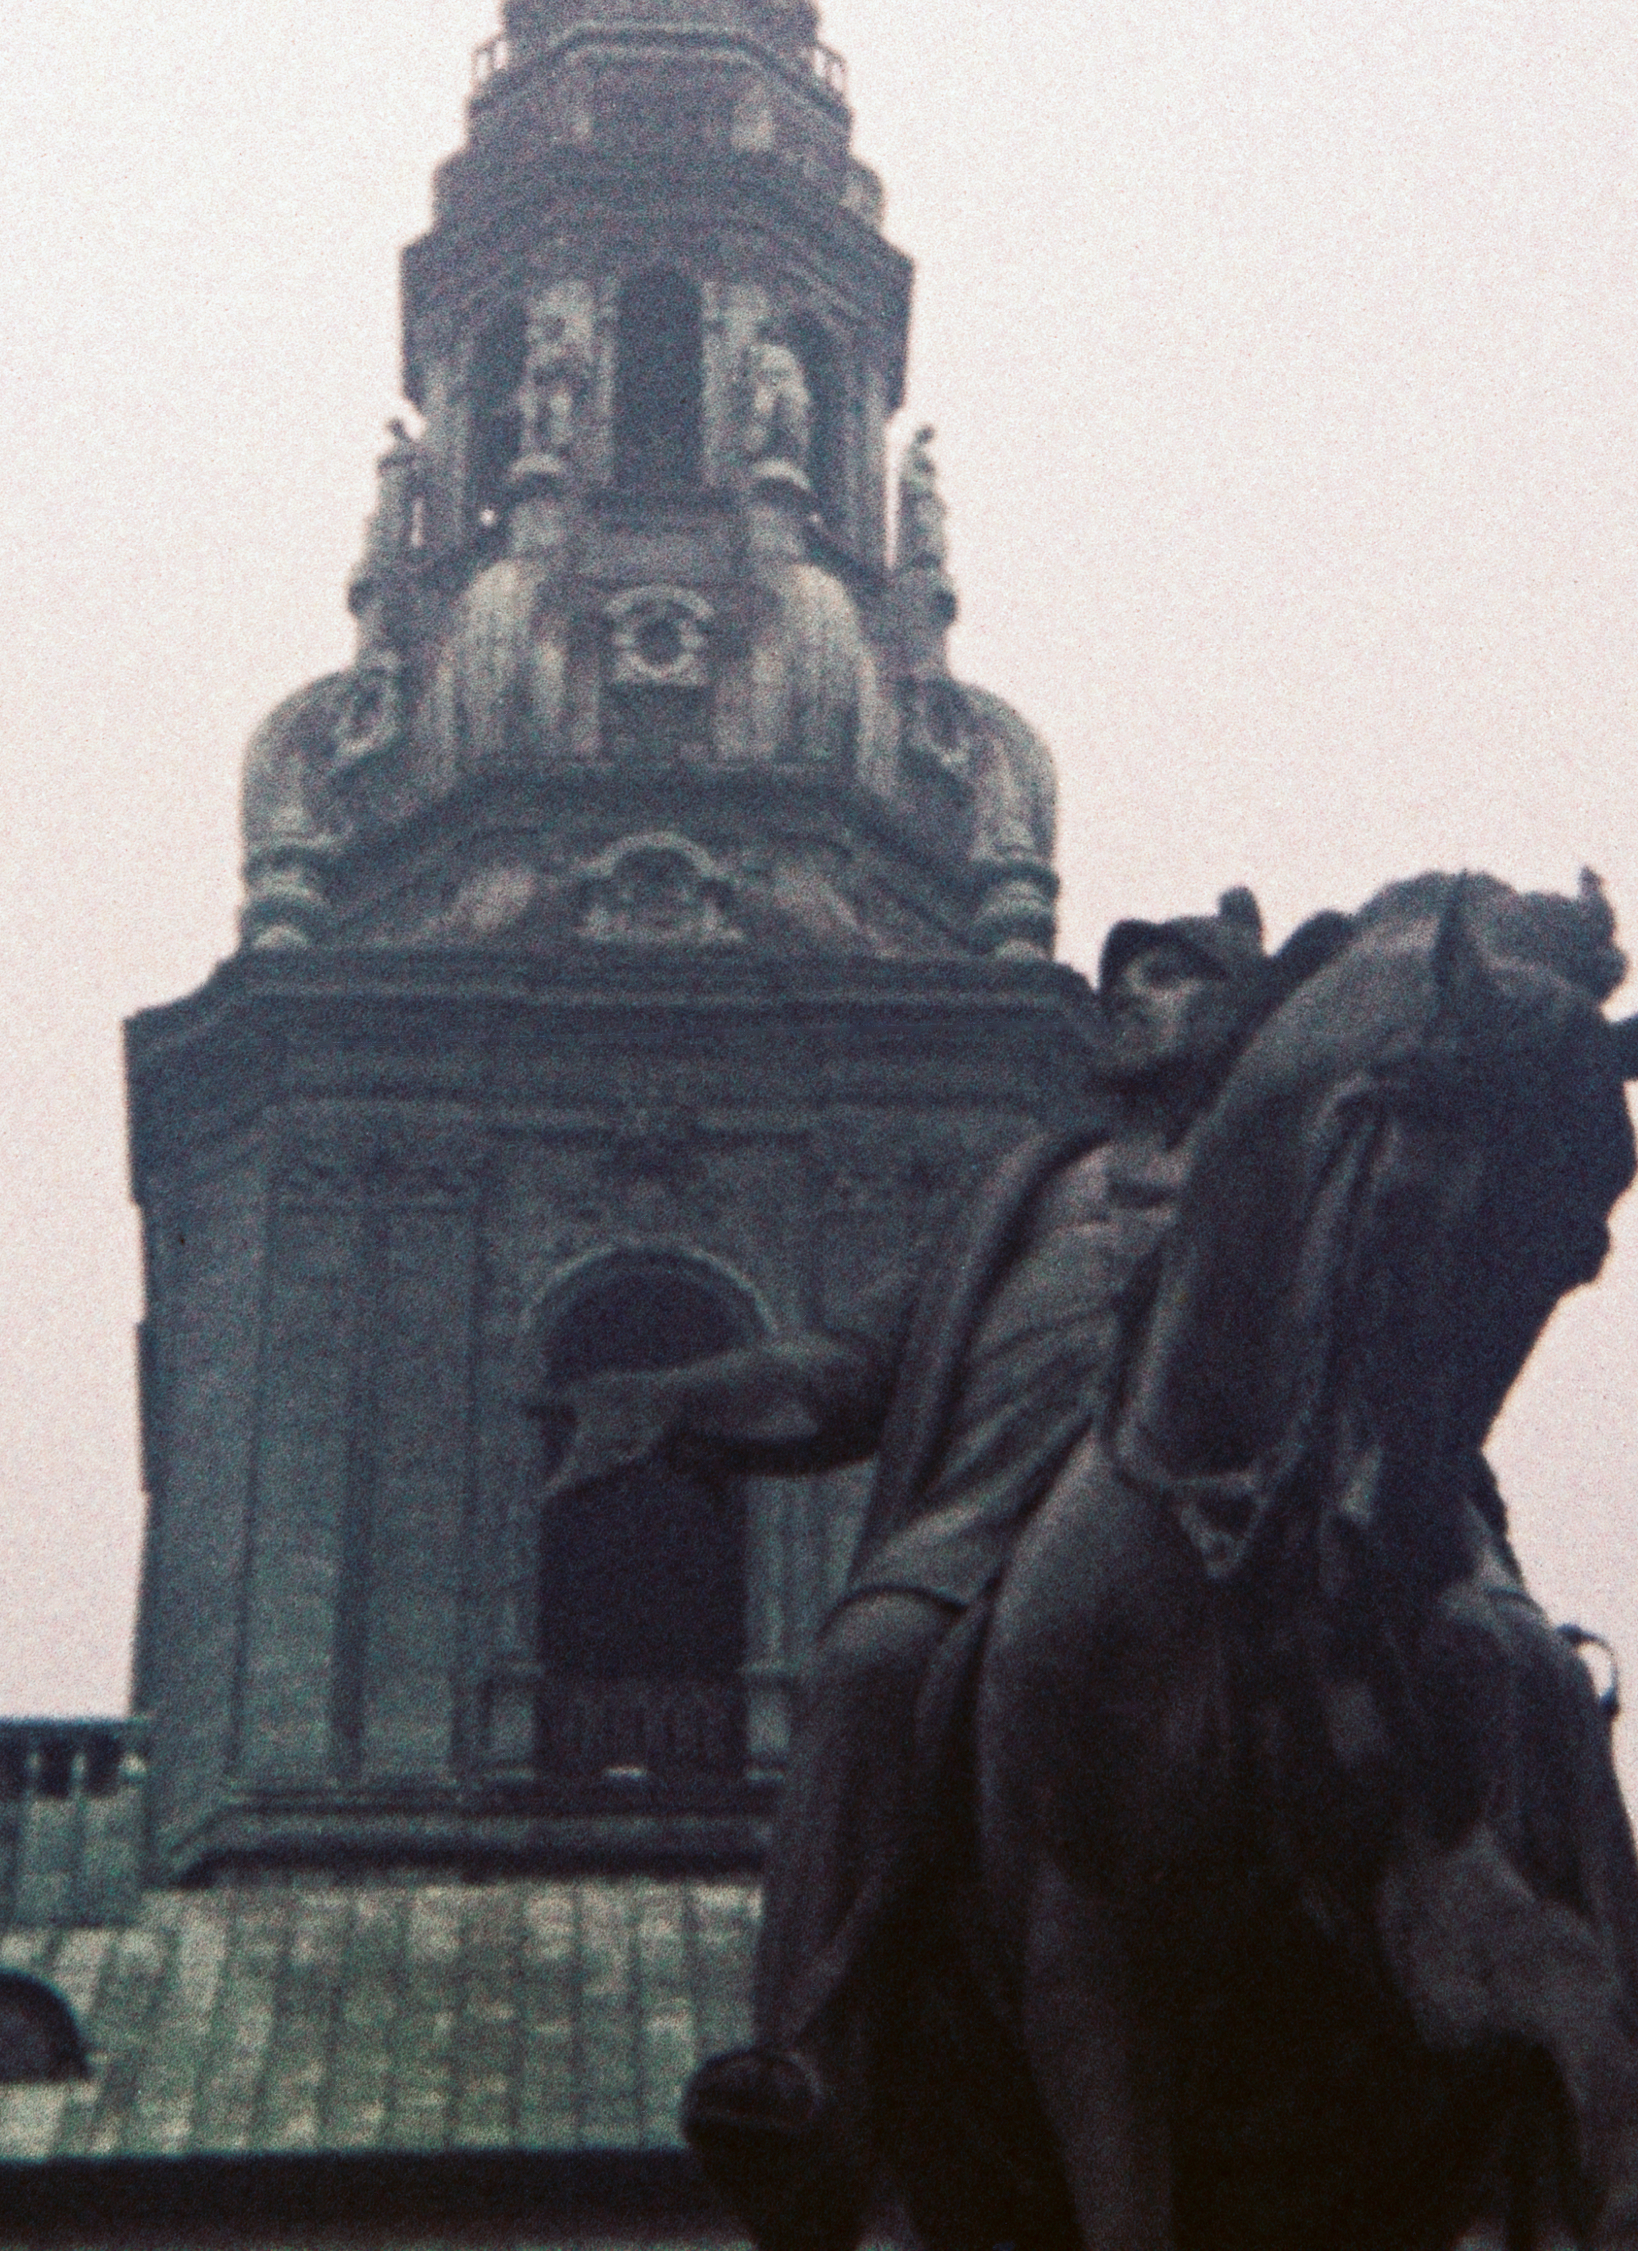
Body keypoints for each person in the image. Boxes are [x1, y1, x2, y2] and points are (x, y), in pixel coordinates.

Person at [540, 886, 1340, 2251]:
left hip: (1238, 1546)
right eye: (1123, 979)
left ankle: (1616, 2073)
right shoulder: (1025, 1194)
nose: (1133, 999)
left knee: (1500, 1672)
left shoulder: (1293, 1179)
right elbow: (848, 1371)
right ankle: (811, 2058)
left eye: (1174, 977)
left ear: (1250, 1017)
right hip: (987, 1541)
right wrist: (675, 1398)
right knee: (864, 1662)